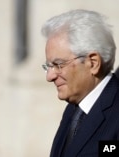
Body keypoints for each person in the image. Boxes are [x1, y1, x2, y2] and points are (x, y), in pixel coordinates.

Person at [41, 9, 119, 157]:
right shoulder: (74, 109)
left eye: (58, 65)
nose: (49, 77)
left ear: (93, 63)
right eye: (48, 66)